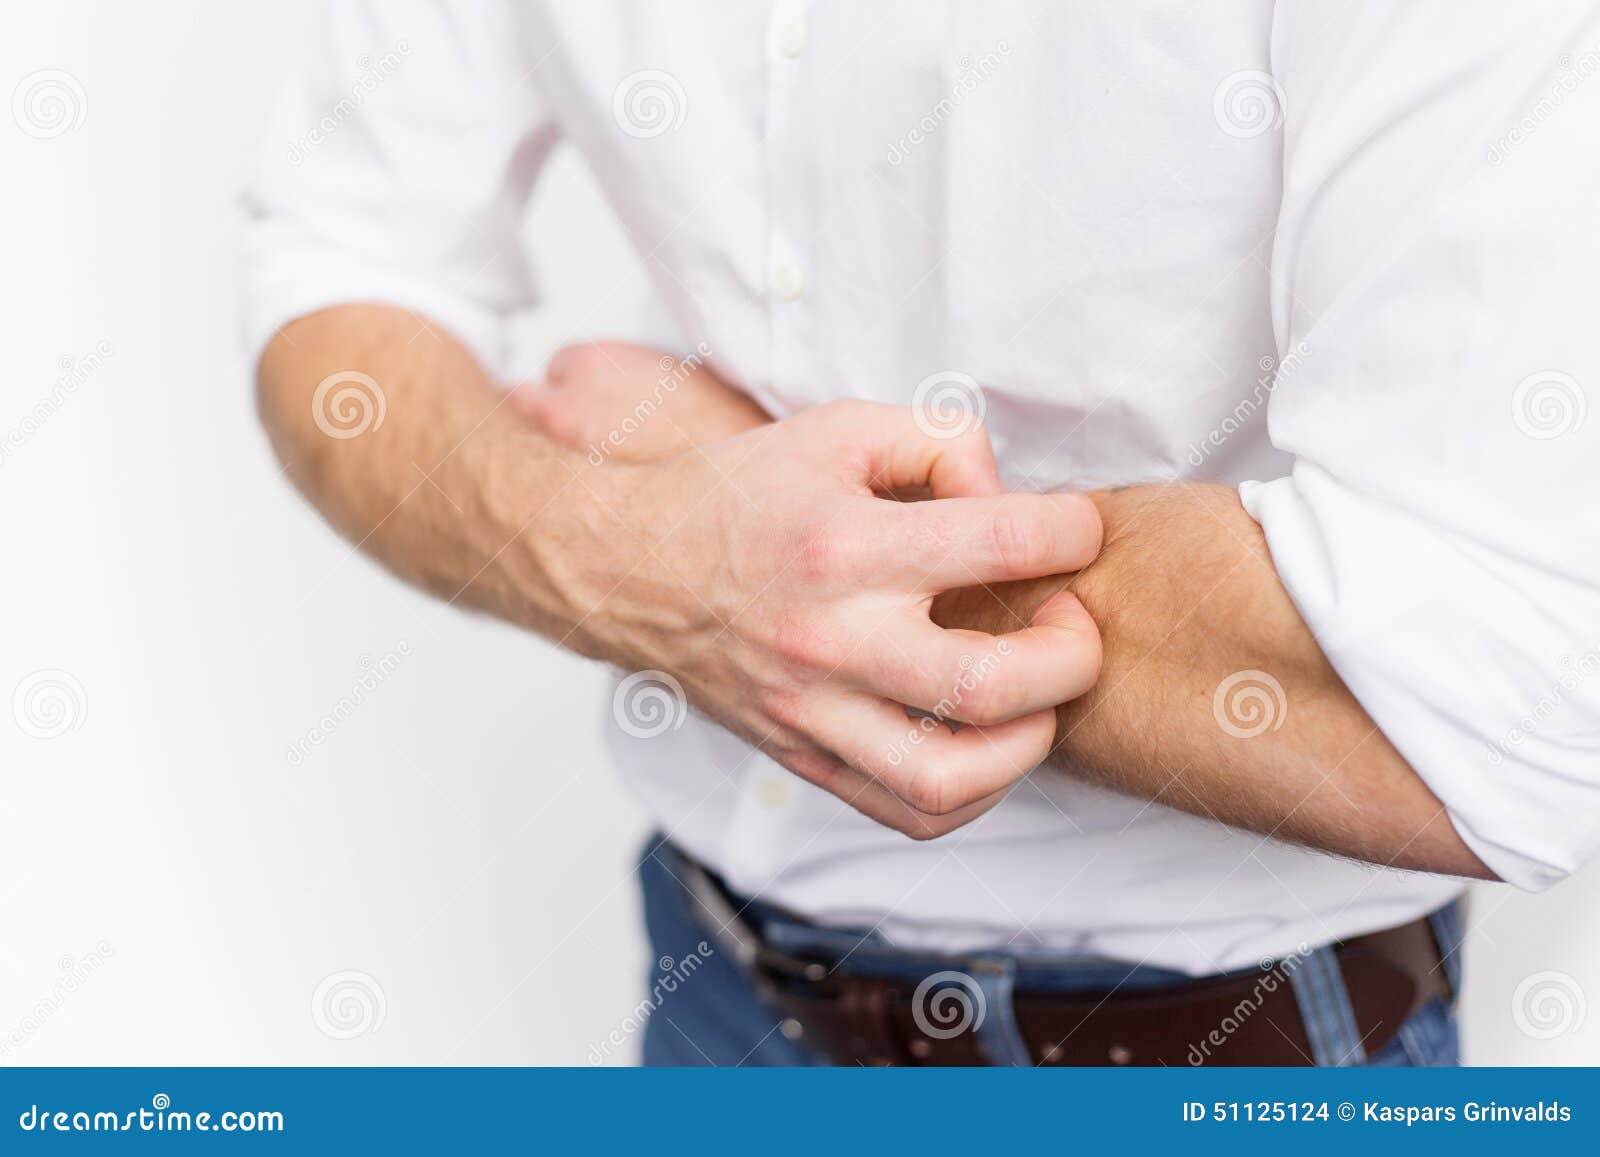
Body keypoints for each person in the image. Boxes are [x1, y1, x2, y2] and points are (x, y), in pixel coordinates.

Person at [244, 1, 1600, 1066]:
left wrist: (726, 531)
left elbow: (1505, 689)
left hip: (1247, 1057)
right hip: (716, 997)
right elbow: (346, 256)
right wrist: (627, 540)